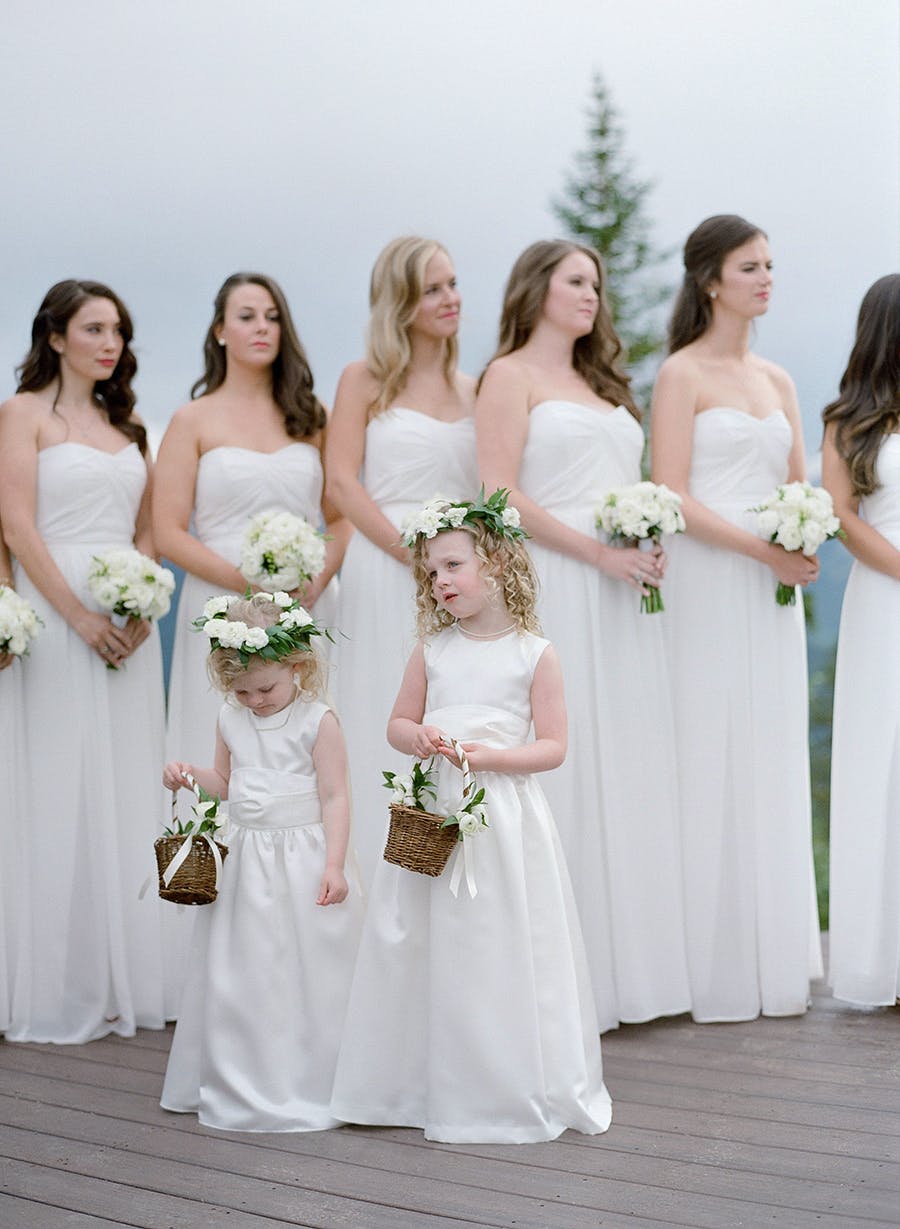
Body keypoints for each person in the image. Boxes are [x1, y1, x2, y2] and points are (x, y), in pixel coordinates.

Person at [331, 491, 612, 1143]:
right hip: (431, 810)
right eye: (432, 571)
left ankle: (499, 1077)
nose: (442, 580)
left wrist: (495, 756)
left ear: (498, 562)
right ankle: (408, 1080)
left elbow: (553, 746)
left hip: (503, 818)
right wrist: (420, 737)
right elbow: (398, 723)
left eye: (454, 564)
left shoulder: (534, 653)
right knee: (417, 935)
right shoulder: (431, 651)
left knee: (495, 938)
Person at [477, 240, 690, 1030]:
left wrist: (642, 536)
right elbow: (497, 489)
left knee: (623, 756)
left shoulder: (601, 384)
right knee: (564, 764)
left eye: (597, 283)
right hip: (560, 580)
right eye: (575, 280)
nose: (591, 294)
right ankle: (554, 980)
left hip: (622, 591)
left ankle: (626, 967)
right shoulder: (509, 376)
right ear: (536, 288)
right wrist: (596, 552)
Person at [651, 215, 822, 1021]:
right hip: (712, 582)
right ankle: (705, 966)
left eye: (771, 266)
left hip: (772, 592)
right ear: (711, 280)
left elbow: (798, 486)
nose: (766, 278)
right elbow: (673, 496)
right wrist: (764, 550)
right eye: (751, 266)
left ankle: (774, 955)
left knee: (770, 745)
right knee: (709, 744)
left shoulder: (780, 381)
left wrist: (803, 531)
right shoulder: (681, 374)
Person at [0, 279, 167, 1043]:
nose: (111, 343)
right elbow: (14, 521)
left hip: (126, 630)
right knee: (56, 783)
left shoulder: (130, 429)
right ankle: (48, 982)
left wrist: (139, 608)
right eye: (95, 328)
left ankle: (117, 975)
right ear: (56, 336)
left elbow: (149, 530)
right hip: (58, 611)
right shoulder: (24, 415)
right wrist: (73, 615)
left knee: (125, 787)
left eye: (120, 332)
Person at [160, 594, 364, 1131]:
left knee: (306, 967)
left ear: (297, 665)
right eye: (242, 690)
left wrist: (335, 864)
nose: (255, 700)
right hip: (247, 858)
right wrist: (189, 775)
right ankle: (243, 1074)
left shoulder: (317, 721)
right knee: (245, 969)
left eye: (266, 688)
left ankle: (312, 1077)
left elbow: (336, 796)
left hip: (304, 857)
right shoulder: (232, 717)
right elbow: (226, 786)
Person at [154, 272, 348, 825]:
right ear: (220, 331)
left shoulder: (312, 417)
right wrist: (250, 588)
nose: (262, 327)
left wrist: (316, 579)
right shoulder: (192, 420)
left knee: (308, 755)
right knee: (225, 746)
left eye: (272, 316)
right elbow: (168, 531)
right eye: (246, 316)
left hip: (306, 607)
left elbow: (339, 517)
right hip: (221, 608)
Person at [325, 236, 478, 882]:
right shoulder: (364, 380)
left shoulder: (473, 387)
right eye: (432, 288)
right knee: (377, 716)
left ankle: (446, 881)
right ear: (400, 303)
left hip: (458, 584)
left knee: (452, 721)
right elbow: (339, 483)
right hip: (385, 572)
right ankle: (364, 887)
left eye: (451, 283)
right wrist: (411, 555)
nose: (450, 299)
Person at [823, 273, 900, 1007]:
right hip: (884, 600)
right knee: (884, 765)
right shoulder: (849, 420)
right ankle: (887, 959)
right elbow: (843, 514)